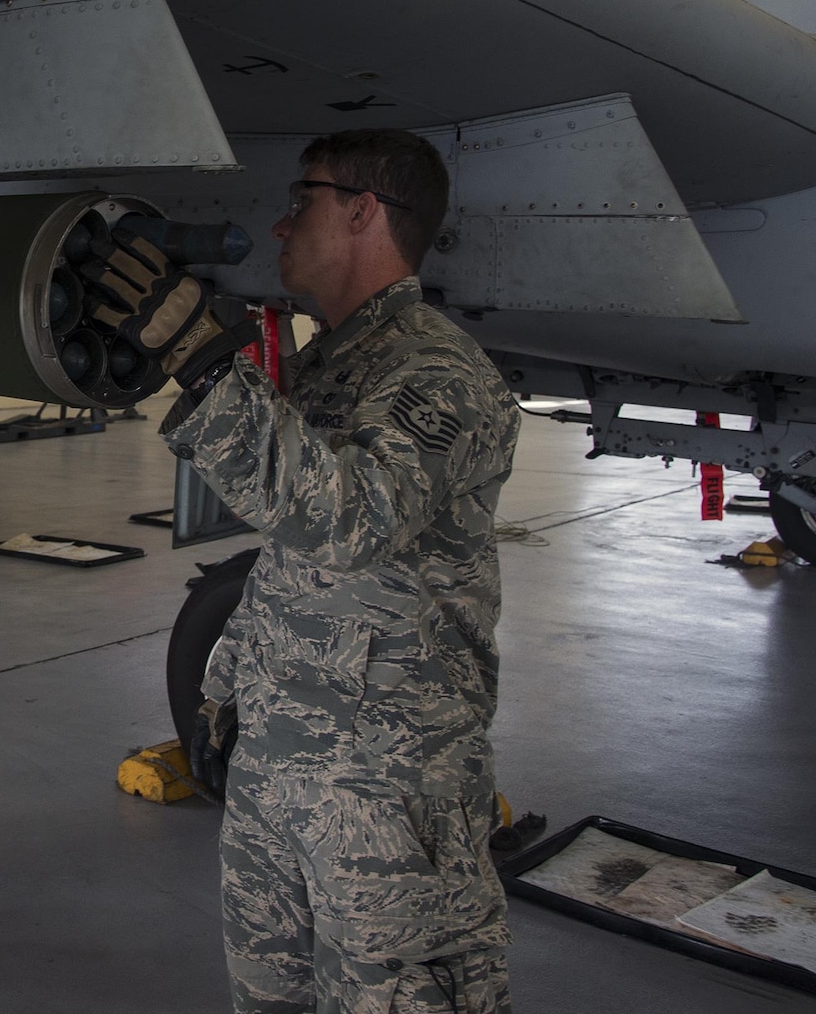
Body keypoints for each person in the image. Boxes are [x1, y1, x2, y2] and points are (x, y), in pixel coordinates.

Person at [83, 130, 520, 1014]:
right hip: (282, 772)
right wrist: (226, 689)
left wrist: (205, 365)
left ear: (363, 211)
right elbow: (292, 557)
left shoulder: (435, 371)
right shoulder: (341, 360)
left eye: (303, 198)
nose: (279, 223)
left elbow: (347, 516)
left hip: (386, 800)